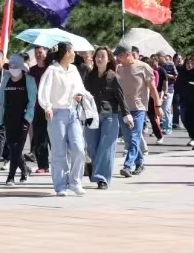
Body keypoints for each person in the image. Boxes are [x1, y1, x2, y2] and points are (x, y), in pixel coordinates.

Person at [37, 42, 89, 196]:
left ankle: (75, 182)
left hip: (73, 112)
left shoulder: (73, 69)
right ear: (66, 53)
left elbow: (80, 88)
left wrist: (79, 95)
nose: (75, 54)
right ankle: (61, 186)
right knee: (59, 151)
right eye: (73, 51)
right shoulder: (52, 70)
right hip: (57, 113)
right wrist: (47, 107)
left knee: (79, 148)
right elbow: (44, 90)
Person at [82, 47, 131, 189]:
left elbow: (121, 98)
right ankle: (93, 166)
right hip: (92, 115)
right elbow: (85, 95)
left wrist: (127, 115)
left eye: (102, 56)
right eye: (97, 56)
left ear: (109, 59)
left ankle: (102, 179)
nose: (99, 58)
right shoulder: (90, 76)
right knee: (92, 147)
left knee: (106, 148)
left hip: (110, 116)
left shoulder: (114, 77)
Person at [0, 54, 36, 185]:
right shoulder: (6, 79)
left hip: (23, 118)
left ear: (21, 68)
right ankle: (25, 170)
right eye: (11, 67)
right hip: (8, 117)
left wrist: (28, 118)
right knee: (13, 147)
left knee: (18, 148)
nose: (13, 69)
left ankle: (11, 176)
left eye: (15, 67)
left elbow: (32, 101)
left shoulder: (29, 80)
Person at [115, 45, 161, 178]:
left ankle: (127, 166)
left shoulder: (143, 67)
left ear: (128, 54)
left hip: (138, 107)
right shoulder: (119, 68)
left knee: (135, 136)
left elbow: (152, 88)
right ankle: (140, 162)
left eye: (120, 55)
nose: (118, 58)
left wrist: (157, 105)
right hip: (123, 108)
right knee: (128, 139)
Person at [28, 46, 51, 173]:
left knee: (54, 137)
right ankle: (43, 165)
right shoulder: (32, 70)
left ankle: (60, 163)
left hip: (51, 107)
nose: (38, 55)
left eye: (40, 53)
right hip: (37, 107)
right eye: (36, 53)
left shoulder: (52, 69)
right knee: (39, 136)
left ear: (46, 53)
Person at [176, 55, 194, 147]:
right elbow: (177, 86)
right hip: (184, 100)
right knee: (184, 118)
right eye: (187, 63)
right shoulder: (182, 73)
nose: (189, 65)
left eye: (192, 63)